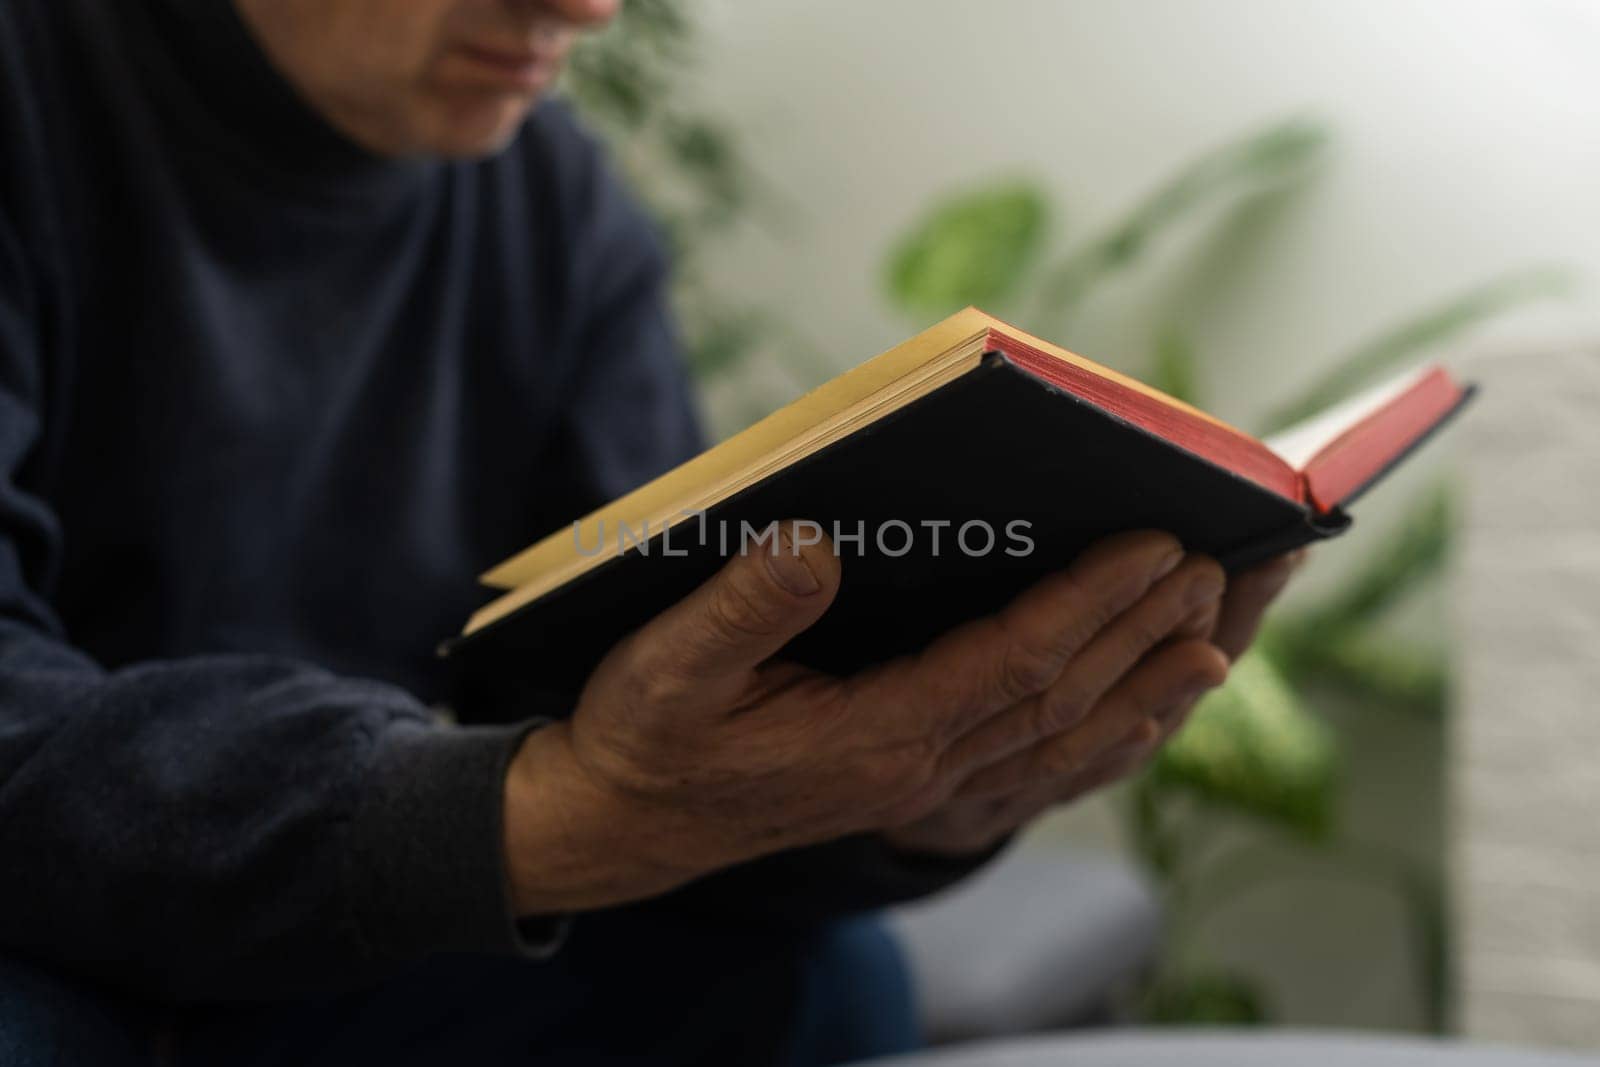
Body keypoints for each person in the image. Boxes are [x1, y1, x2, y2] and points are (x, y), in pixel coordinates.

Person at [0, 0, 1300, 1063]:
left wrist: (921, 795)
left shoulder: (552, 201)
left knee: (822, 988)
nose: (585, 10)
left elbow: (637, 683)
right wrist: (528, 820)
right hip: (48, 932)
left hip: (312, 929)